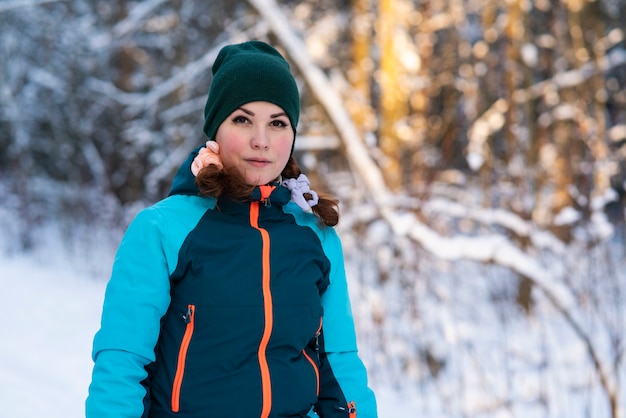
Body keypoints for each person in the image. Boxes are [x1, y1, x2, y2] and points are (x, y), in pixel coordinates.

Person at [86, 40, 377, 418]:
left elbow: (338, 360)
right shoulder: (162, 230)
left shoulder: (315, 234)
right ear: (216, 128)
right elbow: (122, 360)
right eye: (243, 119)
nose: (261, 140)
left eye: (277, 123)